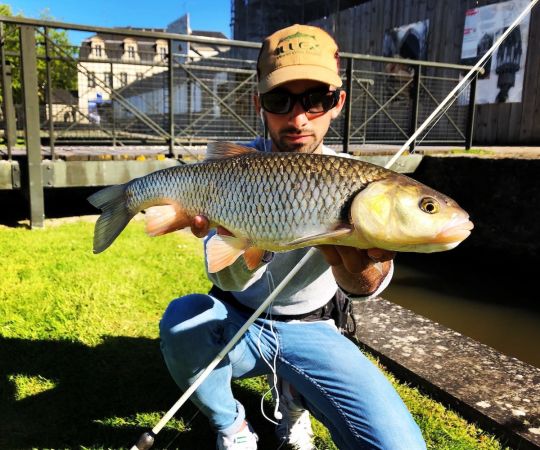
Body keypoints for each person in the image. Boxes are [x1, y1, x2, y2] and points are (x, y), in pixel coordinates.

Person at [159, 24, 426, 450]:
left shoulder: (358, 180)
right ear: (259, 103)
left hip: (314, 326)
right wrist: (251, 241)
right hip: (238, 318)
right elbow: (224, 275)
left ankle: (294, 397)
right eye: (279, 100)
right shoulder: (229, 172)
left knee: (399, 445)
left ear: (337, 102)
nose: (298, 117)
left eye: (316, 99)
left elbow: (365, 287)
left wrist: (363, 271)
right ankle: (232, 426)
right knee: (181, 321)